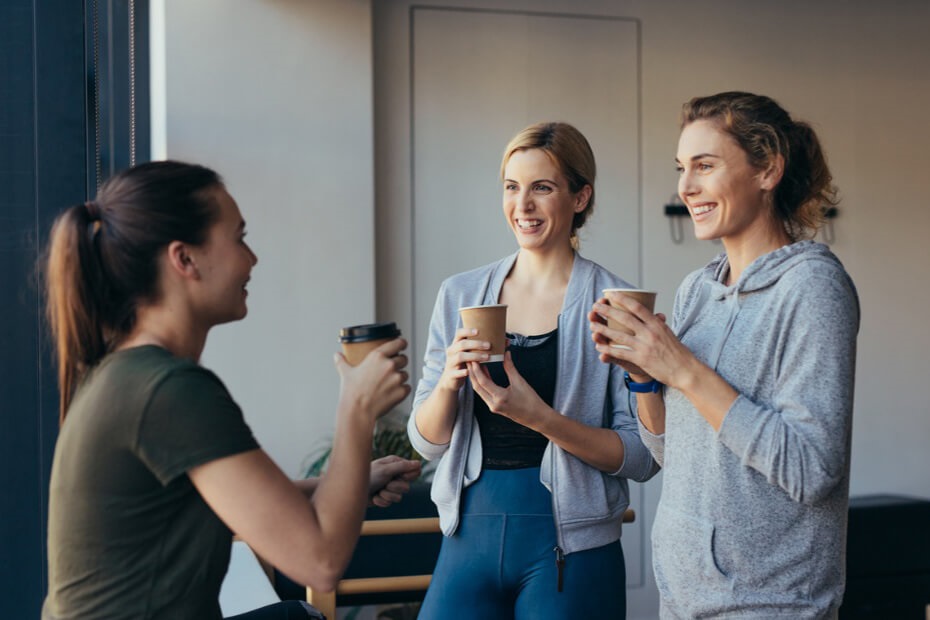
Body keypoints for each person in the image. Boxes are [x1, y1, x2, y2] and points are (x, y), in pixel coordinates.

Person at [41, 160, 421, 620]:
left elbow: (230, 497)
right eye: (240, 238)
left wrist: (353, 481)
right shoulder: (167, 391)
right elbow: (320, 561)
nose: (252, 259)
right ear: (184, 259)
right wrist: (357, 408)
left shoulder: (127, 374)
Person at [589, 91, 859, 618]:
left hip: (770, 604)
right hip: (682, 598)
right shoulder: (697, 291)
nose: (685, 187)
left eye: (705, 166)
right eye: (681, 168)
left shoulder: (813, 289)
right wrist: (646, 379)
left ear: (768, 170)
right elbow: (676, 454)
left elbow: (812, 470)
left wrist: (684, 370)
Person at [407, 121, 659, 619]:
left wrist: (540, 418)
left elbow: (642, 457)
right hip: (466, 540)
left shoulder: (615, 305)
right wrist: (448, 382)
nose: (522, 206)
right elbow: (426, 442)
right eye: (511, 187)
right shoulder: (460, 294)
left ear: (580, 197)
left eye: (541, 188)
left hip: (573, 553)